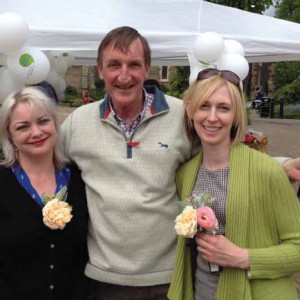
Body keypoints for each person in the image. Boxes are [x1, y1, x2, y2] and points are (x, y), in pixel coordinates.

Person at [60, 26, 300, 300]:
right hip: (105, 278)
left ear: (148, 67)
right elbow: (48, 170)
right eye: (114, 65)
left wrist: (279, 166)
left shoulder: (181, 114)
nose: (124, 76)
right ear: (101, 70)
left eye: (134, 65)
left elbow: (223, 150)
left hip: (171, 278)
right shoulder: (77, 124)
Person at [168, 69, 300, 300]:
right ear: (191, 111)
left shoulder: (267, 171)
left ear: (236, 114)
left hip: (256, 293)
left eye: (223, 108)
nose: (212, 117)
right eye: (204, 106)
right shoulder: (185, 173)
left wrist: (242, 257)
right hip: (202, 292)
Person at [0, 87, 89, 300]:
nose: (36, 132)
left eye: (43, 121)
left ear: (55, 125)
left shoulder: (80, 179)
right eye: (23, 127)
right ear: (10, 136)